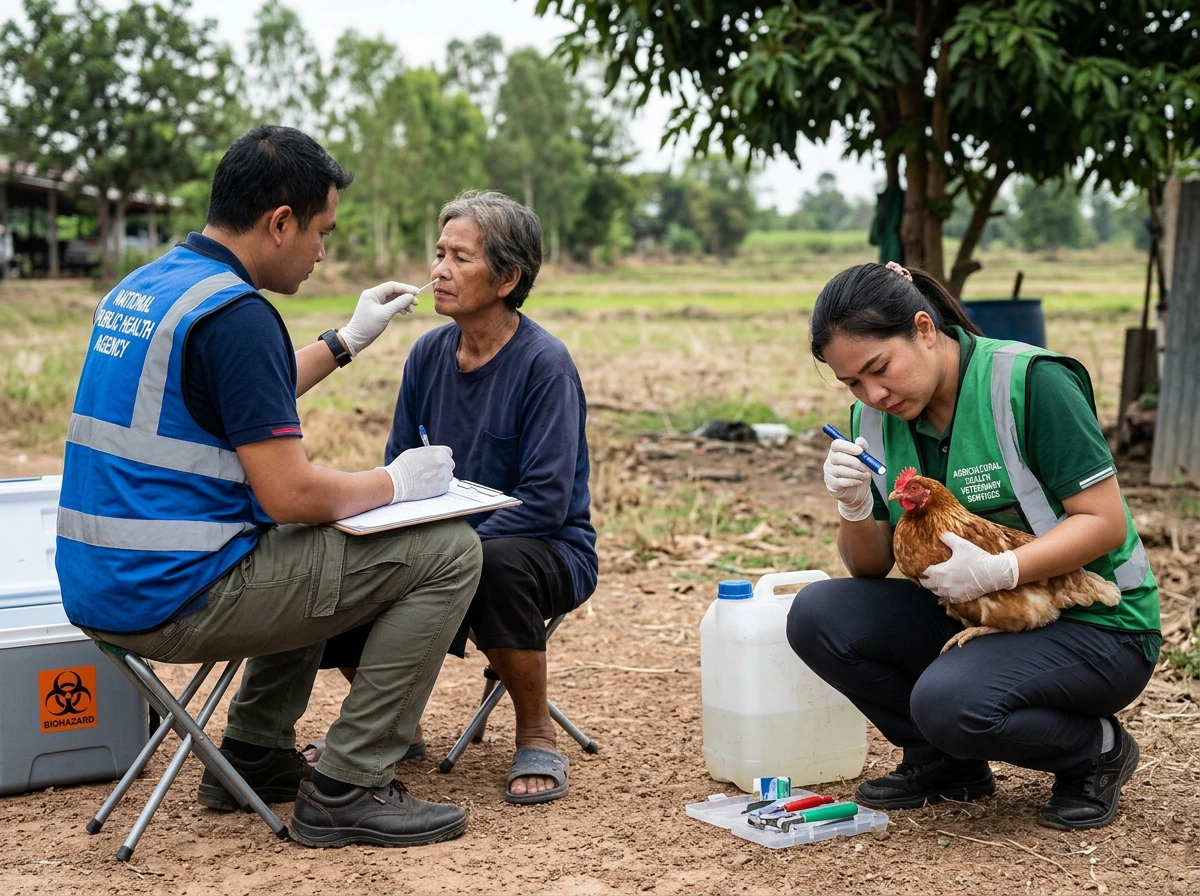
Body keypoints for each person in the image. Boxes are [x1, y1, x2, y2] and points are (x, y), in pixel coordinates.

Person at [55, 125, 484, 849]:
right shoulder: (239, 315)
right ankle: (349, 786)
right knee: (449, 551)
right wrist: (398, 484)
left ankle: (250, 753)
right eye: (321, 231)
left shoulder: (154, 286)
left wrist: (345, 341)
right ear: (279, 222)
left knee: (309, 542)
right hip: (175, 596)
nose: (323, 252)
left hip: (102, 582)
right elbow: (290, 494)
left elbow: (241, 391)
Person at [788, 261, 1160, 830]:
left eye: (879, 369)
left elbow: (1104, 523)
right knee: (818, 615)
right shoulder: (875, 416)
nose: (873, 393)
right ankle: (947, 763)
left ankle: (1096, 750)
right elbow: (869, 565)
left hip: (1098, 620)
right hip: (985, 611)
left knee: (949, 701)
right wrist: (854, 504)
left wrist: (1000, 569)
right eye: (852, 384)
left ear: (925, 328)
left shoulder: (1030, 383)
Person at [316, 190, 598, 805]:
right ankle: (394, 724)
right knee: (340, 561)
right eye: (438, 253)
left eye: (459, 258)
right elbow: (399, 469)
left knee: (494, 566)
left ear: (508, 278)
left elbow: (546, 505)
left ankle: (535, 731)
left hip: (544, 549)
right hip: (442, 540)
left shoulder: (544, 365)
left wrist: (446, 548)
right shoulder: (426, 355)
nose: (438, 270)